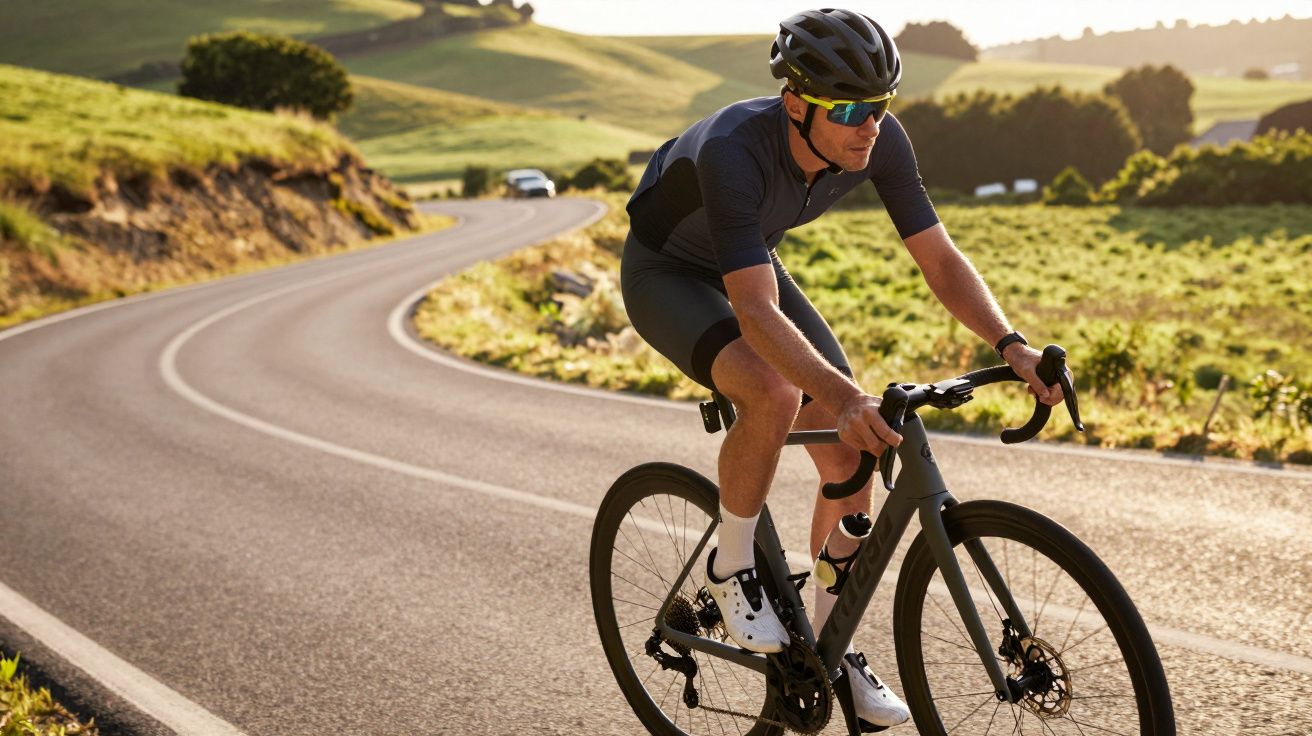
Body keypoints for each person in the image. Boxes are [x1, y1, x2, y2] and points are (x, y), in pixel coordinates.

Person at [620, 8, 1064, 729]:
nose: (870, 125)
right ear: (795, 102)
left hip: (747, 259)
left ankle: (833, 644)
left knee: (849, 439)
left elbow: (941, 260)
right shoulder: (736, 148)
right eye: (851, 109)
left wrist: (1010, 344)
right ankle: (731, 566)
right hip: (666, 273)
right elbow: (757, 315)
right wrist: (843, 393)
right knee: (772, 390)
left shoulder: (877, 142)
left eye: (882, 106)